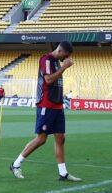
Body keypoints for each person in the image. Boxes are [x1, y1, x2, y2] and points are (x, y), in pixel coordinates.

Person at [9, 41, 80, 181]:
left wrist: (62, 67)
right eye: (66, 55)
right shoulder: (46, 59)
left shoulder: (57, 62)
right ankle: (16, 164)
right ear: (60, 51)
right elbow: (48, 80)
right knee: (41, 139)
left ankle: (63, 173)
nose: (66, 58)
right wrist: (64, 67)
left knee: (60, 139)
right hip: (46, 105)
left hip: (58, 105)